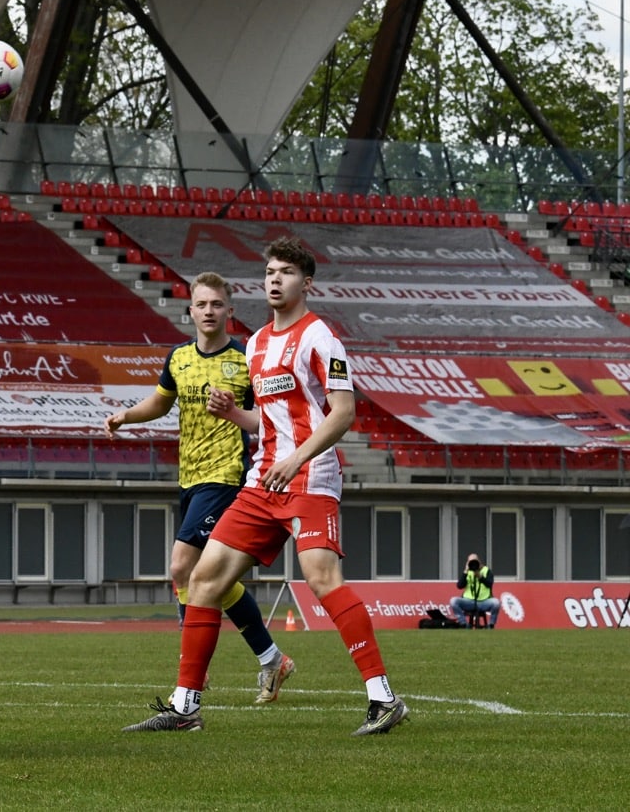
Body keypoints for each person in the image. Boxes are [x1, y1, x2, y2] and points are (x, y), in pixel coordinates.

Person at [122, 237, 408, 737]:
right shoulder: (254, 345)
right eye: (271, 271)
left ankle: (383, 699)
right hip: (262, 483)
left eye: (287, 273)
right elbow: (269, 420)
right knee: (204, 580)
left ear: (306, 283)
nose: (275, 279)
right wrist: (236, 415)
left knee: (321, 579)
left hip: (311, 479)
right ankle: (185, 705)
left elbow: (344, 413)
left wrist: (298, 457)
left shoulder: (322, 338)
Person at [106, 272, 294, 709]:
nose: (208, 311)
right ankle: (272, 658)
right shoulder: (178, 358)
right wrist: (125, 417)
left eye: (216, 305)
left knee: (180, 566)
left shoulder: (247, 359)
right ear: (190, 310)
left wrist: (238, 416)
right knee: (210, 578)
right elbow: (159, 402)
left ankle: (192, 667)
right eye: (202, 304)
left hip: (227, 475)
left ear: (230, 311)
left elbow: (269, 415)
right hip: (188, 477)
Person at [451, 554, 500, 628]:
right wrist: (465, 572)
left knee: (496, 602)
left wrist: (480, 577)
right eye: (471, 562)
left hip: (484, 601)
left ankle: (491, 624)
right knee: (453, 601)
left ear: (479, 561)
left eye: (475, 561)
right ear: (467, 562)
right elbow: (459, 586)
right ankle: (463, 623)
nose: (473, 564)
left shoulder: (486, 570)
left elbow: (490, 583)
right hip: (469, 601)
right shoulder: (467, 572)